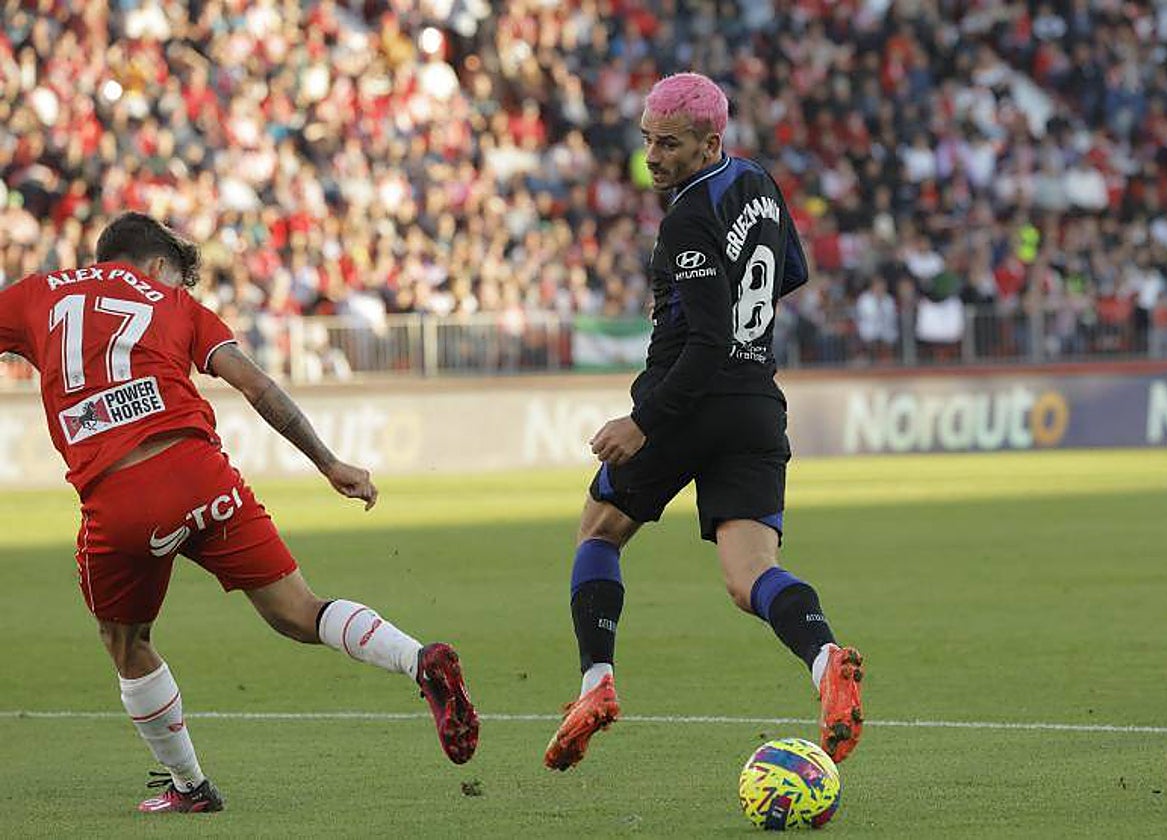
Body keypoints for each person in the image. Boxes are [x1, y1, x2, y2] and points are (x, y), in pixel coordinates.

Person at [0, 212, 478, 813]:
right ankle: (417, 660)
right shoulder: (179, 306)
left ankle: (190, 787)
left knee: (127, 642)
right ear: (156, 264)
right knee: (299, 611)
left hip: (120, 495)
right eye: (176, 277)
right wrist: (329, 463)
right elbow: (258, 387)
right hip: (203, 473)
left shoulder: (36, 295)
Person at [543, 74, 865, 772]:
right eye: (647, 141)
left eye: (669, 144)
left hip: (686, 402)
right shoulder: (759, 182)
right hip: (755, 402)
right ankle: (825, 660)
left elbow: (708, 340)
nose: (652, 157)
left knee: (599, 530)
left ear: (709, 143)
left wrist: (643, 421)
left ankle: (596, 684)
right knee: (750, 575)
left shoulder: (688, 216)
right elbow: (790, 272)